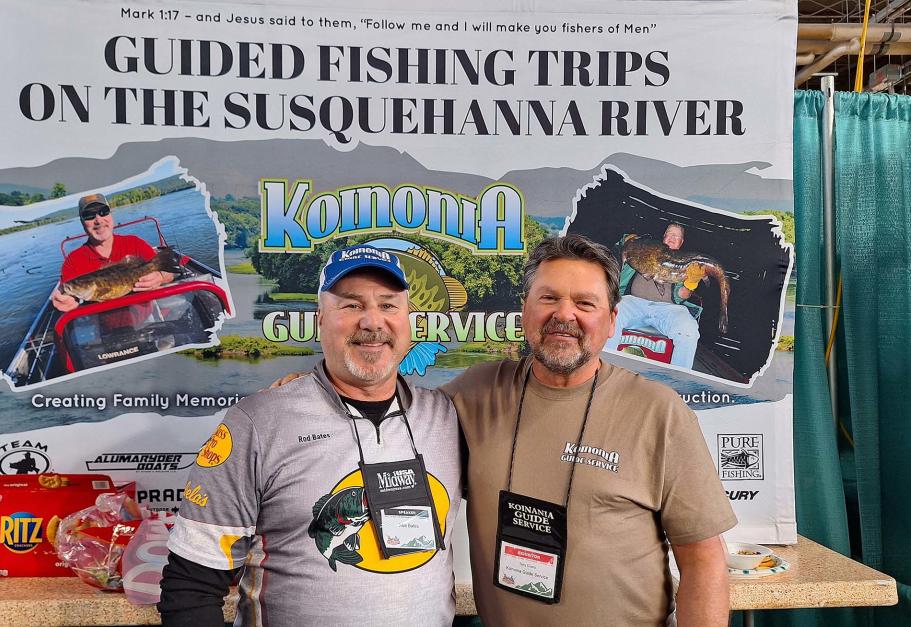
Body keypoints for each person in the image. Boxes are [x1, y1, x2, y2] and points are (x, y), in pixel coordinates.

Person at [158, 245, 462, 626]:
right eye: (350, 305)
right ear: (320, 320)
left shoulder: (448, 416)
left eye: (388, 306)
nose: (372, 322)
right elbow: (192, 586)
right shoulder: (257, 423)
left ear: (409, 321)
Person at [443, 234, 735, 626]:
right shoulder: (474, 393)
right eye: (548, 298)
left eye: (585, 303)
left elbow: (704, 561)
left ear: (612, 319)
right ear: (525, 309)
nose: (565, 315)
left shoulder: (659, 413)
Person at [603, 223, 703, 369]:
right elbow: (619, 246)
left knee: (689, 330)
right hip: (633, 303)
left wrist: (691, 283)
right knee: (612, 312)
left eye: (676, 236)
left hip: (669, 310)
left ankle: (678, 380)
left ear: (681, 243)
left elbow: (681, 296)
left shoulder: (686, 263)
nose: (671, 238)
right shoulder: (645, 249)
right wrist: (627, 239)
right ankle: (605, 367)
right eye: (669, 234)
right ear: (664, 237)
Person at [50, 193, 172, 312]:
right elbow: (66, 292)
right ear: (82, 222)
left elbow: (169, 271)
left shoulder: (135, 243)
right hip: (101, 329)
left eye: (103, 211)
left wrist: (161, 276)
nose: (98, 220)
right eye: (89, 215)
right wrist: (66, 300)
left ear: (111, 215)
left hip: (144, 318)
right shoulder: (73, 261)